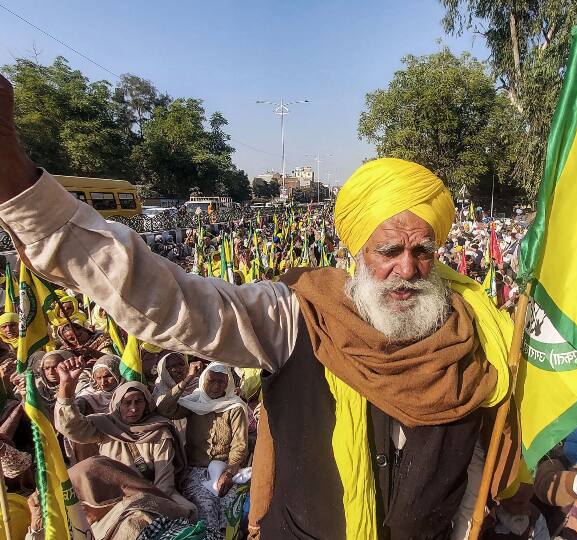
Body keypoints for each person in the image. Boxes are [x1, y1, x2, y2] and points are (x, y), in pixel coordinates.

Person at [0, 79, 516, 539]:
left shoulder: (475, 330)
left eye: (423, 250)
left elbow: (477, 463)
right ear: (356, 252)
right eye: (390, 251)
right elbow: (172, 301)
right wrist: (27, 194)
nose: (408, 269)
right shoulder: (299, 316)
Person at [53, 356, 196, 518]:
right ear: (117, 404)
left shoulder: (159, 429)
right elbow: (70, 426)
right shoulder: (104, 425)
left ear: (147, 403)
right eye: (127, 403)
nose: (134, 409)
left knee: (188, 512)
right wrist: (66, 386)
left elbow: (165, 481)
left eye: (138, 402)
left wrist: (151, 504)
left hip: (155, 491)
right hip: (114, 495)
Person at [157, 362, 249, 530]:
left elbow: (239, 445)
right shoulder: (194, 402)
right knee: (206, 506)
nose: (215, 386)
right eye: (211, 380)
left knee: (230, 507)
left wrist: (228, 472)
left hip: (226, 469)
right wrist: (188, 378)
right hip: (196, 471)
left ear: (228, 384)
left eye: (221, 382)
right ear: (203, 380)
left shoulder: (234, 407)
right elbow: (164, 409)